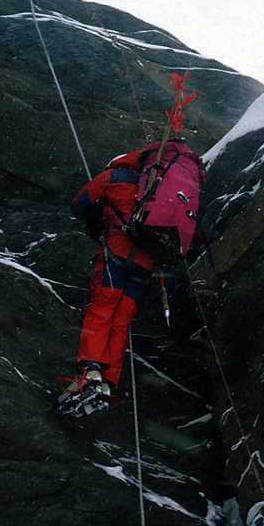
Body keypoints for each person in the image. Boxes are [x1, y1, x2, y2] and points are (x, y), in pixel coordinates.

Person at [56, 146, 159, 418]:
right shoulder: (159, 184)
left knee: (101, 310)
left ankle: (91, 372)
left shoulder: (115, 176)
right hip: (146, 264)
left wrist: (100, 215)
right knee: (121, 320)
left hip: (116, 255)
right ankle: (107, 382)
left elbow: (79, 204)